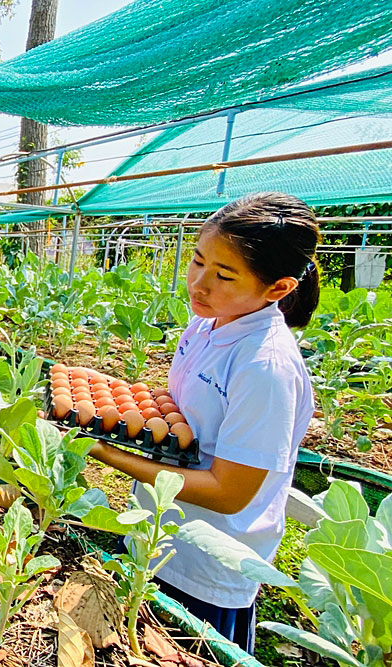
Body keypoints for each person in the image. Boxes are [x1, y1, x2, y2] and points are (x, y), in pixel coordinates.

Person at [88, 192, 320, 653]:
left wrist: (106, 452)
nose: (199, 283)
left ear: (277, 289)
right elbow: (185, 410)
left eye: (224, 275)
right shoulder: (207, 323)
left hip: (208, 562)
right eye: (197, 261)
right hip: (161, 530)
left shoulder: (264, 367)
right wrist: (110, 396)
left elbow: (228, 492)